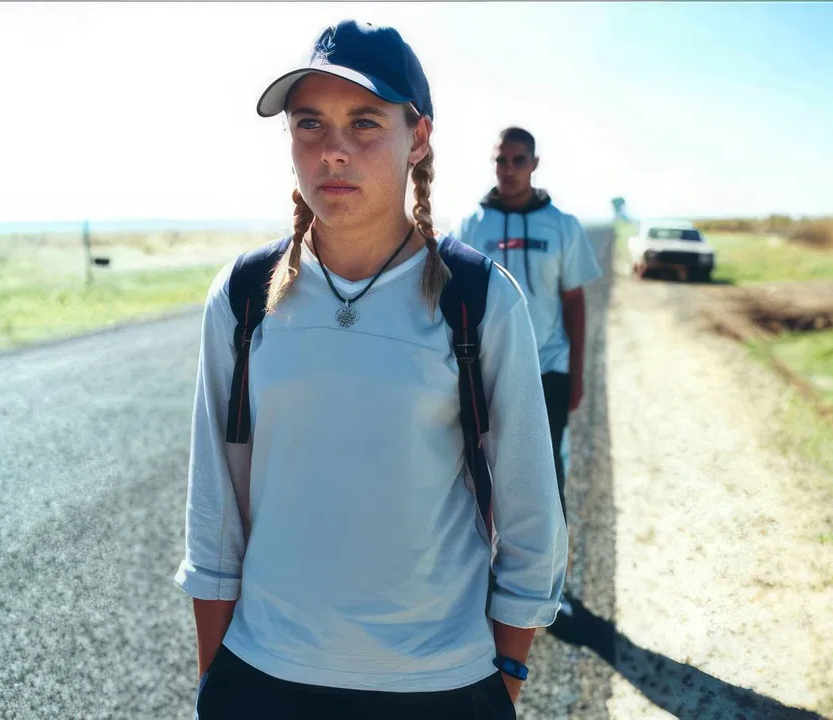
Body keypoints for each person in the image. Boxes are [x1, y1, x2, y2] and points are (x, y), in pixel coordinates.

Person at [174, 20, 567, 719]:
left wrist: (502, 679)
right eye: (309, 124)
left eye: (364, 123)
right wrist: (217, 683)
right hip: (265, 677)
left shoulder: (478, 300)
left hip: (440, 686)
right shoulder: (244, 295)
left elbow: (532, 515)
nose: (333, 150)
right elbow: (215, 510)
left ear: (418, 138)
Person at [456, 127, 602, 612]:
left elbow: (574, 302)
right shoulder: (471, 225)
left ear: (534, 164)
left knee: (544, 478)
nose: (509, 169)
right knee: (479, 476)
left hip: (547, 370)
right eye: (502, 160)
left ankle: (550, 586)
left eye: (519, 160)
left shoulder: (562, 226)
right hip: (484, 371)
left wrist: (577, 375)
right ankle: (484, 578)